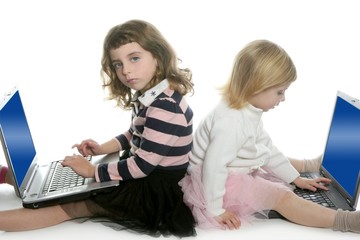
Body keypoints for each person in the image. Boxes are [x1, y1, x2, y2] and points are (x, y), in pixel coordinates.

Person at [0, 19, 196, 237]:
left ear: (158, 57)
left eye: (134, 58)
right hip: (142, 174)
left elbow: (142, 166)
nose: (126, 71)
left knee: (72, 205)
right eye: (118, 64)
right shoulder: (151, 95)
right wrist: (101, 149)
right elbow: (134, 135)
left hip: (151, 191)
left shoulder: (165, 109)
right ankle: (14, 178)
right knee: (68, 184)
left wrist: (93, 171)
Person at [180, 39, 360, 233]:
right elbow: (214, 167)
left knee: (262, 154)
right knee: (281, 197)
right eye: (279, 92)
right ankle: (346, 221)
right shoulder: (231, 123)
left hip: (230, 172)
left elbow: (267, 149)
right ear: (256, 86)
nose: (283, 98)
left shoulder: (246, 110)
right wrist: (216, 209)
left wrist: (295, 178)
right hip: (216, 185)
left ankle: (309, 166)